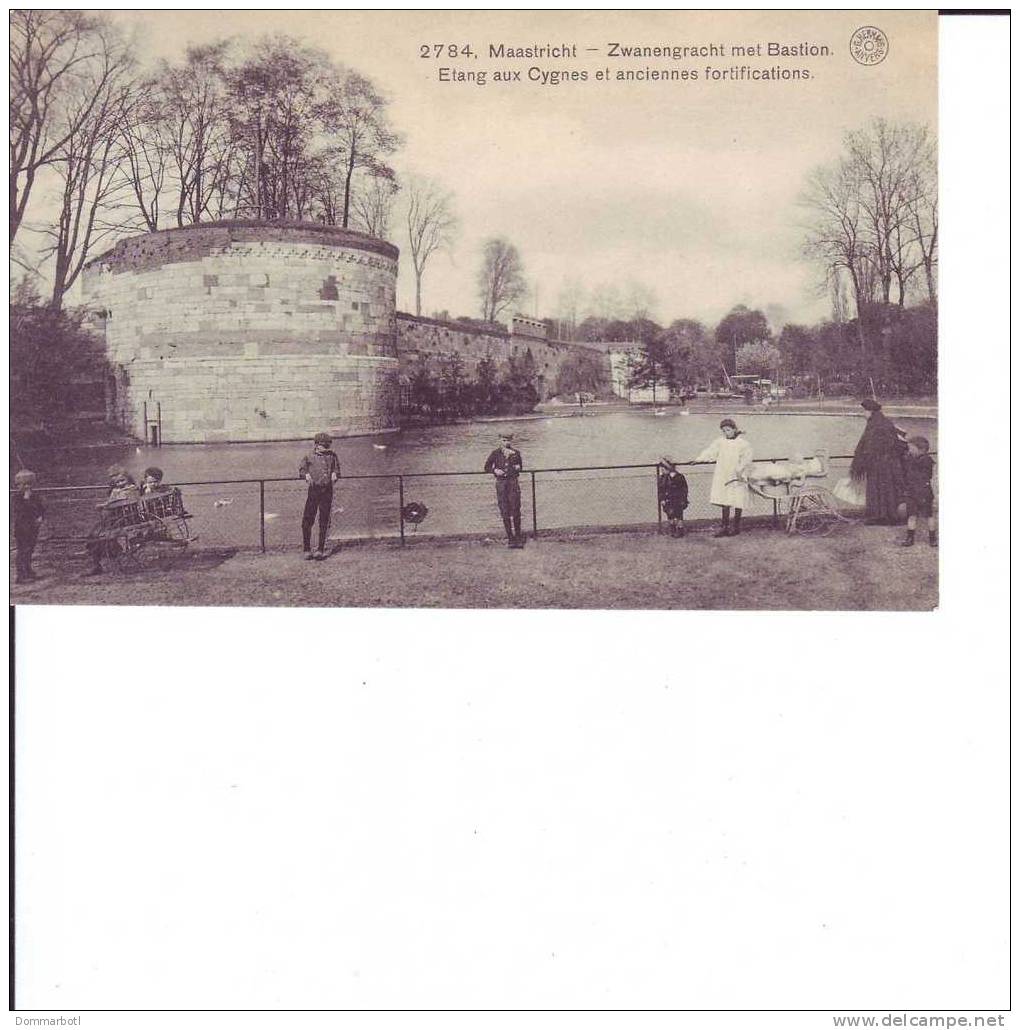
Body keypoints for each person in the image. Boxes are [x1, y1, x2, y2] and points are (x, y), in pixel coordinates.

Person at [849, 399, 907, 524]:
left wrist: (862, 460)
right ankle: (888, 516)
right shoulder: (884, 422)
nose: (864, 414)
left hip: (880, 464)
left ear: (870, 411)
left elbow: (869, 446)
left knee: (878, 489)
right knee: (888, 490)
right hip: (889, 464)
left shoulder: (875, 425)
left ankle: (880, 517)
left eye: (865, 411)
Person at [694, 418, 753, 537]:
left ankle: (736, 527)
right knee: (725, 500)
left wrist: (739, 470)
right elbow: (710, 452)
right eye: (724, 431)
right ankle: (724, 527)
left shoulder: (743, 444)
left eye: (728, 430)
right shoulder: (720, 442)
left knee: (737, 500)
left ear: (734, 429)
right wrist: (698, 459)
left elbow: (746, 459)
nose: (726, 433)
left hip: (737, 475)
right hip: (723, 474)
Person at [85, 465, 141, 575]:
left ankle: (106, 561)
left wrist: (105, 505)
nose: (120, 483)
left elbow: (121, 502)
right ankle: (97, 562)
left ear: (128, 478)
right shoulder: (116, 490)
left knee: (101, 536)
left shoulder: (132, 489)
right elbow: (113, 502)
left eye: (122, 480)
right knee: (94, 535)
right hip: (114, 517)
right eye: (117, 482)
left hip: (126, 517)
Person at [298, 431, 340, 560]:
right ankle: (306, 549)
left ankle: (320, 549)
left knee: (324, 520)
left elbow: (337, 469)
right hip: (314, 490)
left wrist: (335, 473)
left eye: (327, 446)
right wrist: (306, 475)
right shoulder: (308, 456)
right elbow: (301, 469)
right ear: (316, 445)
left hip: (327, 490)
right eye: (323, 446)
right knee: (308, 519)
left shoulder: (332, 456)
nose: (326, 448)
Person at [484, 431, 525, 548]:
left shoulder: (516, 453)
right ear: (500, 441)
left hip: (513, 483)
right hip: (501, 484)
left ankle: (518, 537)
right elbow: (486, 467)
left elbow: (520, 466)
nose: (506, 442)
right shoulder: (495, 453)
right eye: (504, 440)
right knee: (504, 511)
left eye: (508, 440)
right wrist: (494, 470)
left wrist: (518, 467)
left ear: (511, 441)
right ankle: (510, 538)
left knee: (516, 509)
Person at [899, 435, 937, 548]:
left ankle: (932, 538)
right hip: (911, 492)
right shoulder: (909, 458)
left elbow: (926, 475)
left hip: (924, 492)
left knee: (929, 516)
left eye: (911, 448)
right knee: (911, 515)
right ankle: (910, 538)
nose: (909, 450)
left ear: (921, 449)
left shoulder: (927, 460)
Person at [13, 470, 44, 584]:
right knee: (22, 551)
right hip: (22, 529)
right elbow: (21, 512)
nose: (27, 487)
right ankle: (20, 575)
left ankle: (28, 569)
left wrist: (40, 517)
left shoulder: (35, 496)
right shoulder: (17, 498)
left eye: (29, 484)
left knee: (30, 549)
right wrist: (26, 499)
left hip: (33, 528)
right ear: (18, 486)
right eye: (23, 484)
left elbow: (41, 508)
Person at [657, 457, 689, 537]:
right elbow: (661, 490)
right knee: (670, 514)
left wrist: (684, 499)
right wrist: (662, 499)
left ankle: (680, 530)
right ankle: (673, 529)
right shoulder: (663, 478)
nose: (662, 470)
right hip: (668, 499)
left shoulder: (679, 477)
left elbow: (684, 489)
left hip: (678, 499)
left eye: (664, 468)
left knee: (678, 515)